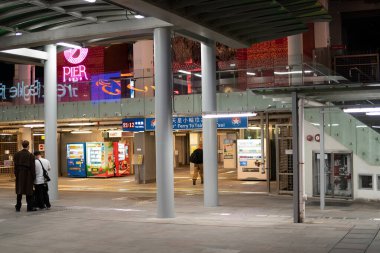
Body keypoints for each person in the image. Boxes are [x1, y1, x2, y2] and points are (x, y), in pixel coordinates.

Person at [14, 140, 36, 212]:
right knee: (29, 191)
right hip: (28, 175)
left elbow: (15, 166)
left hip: (20, 174)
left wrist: (16, 174)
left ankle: (18, 207)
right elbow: (33, 167)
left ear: (22, 145)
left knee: (19, 191)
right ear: (28, 146)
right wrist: (34, 176)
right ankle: (29, 207)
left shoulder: (17, 154)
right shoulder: (31, 155)